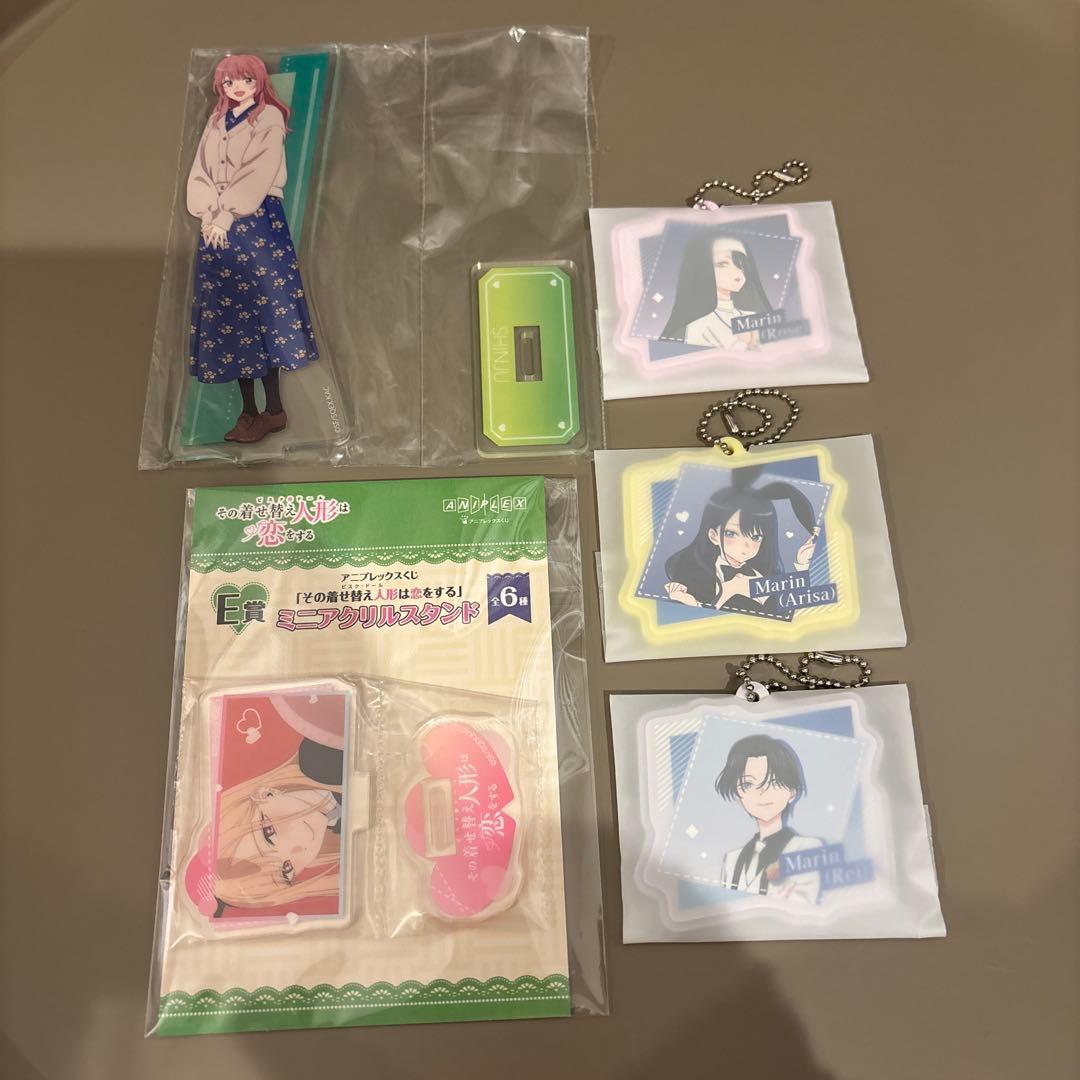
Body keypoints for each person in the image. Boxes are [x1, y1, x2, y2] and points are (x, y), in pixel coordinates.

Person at [186, 54, 319, 444]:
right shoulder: (216, 121)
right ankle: (248, 411)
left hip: (256, 218)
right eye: (229, 82)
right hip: (216, 226)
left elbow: (259, 170)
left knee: (264, 311)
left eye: (246, 80)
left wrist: (226, 214)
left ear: (258, 81)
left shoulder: (269, 118)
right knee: (231, 317)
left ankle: (273, 410)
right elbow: (201, 170)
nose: (237, 88)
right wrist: (208, 214)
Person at [212, 742, 342, 915]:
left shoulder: (323, 753)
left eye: (269, 833)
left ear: (264, 795)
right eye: (287, 869)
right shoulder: (347, 831)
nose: (297, 848)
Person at [664, 468, 818, 613]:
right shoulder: (695, 577)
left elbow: (791, 612)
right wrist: (692, 604)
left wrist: (803, 565)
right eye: (731, 533)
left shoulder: (765, 575)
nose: (745, 546)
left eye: (755, 537)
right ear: (713, 536)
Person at [714, 734, 822, 901]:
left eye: (773, 782)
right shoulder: (731, 860)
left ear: (792, 792)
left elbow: (802, 903)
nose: (762, 792)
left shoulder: (806, 850)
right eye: (747, 784)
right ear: (738, 796)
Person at [662, 234, 772, 349]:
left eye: (740, 263)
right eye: (723, 264)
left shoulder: (754, 317)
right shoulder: (696, 328)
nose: (736, 270)